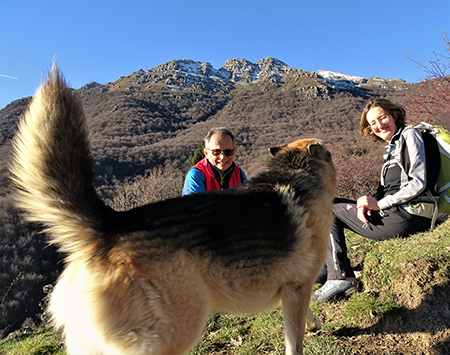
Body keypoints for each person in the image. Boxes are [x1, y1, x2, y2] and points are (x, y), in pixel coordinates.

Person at [311, 98, 438, 303]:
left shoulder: (410, 135)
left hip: (412, 215)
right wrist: (366, 202)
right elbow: (388, 190)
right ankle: (330, 267)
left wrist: (379, 205)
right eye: (373, 123)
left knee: (328, 210)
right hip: (400, 212)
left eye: (383, 117)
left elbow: (418, 183)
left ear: (394, 115)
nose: (379, 125)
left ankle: (340, 277)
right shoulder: (393, 147)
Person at [182, 127, 247, 195]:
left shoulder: (239, 175)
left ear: (234, 152)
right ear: (206, 153)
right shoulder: (197, 175)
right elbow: (195, 204)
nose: (222, 157)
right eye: (216, 152)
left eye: (228, 151)